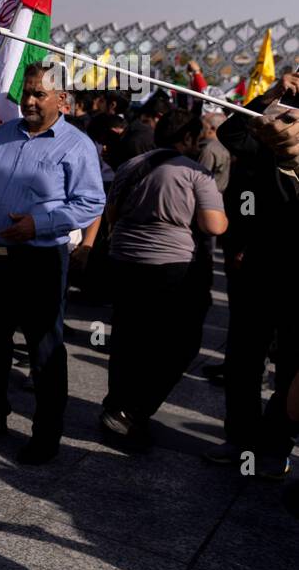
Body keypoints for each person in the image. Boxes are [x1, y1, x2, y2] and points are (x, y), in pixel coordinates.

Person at [0, 63, 106, 463]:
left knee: (43, 349)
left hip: (39, 259)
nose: (31, 100)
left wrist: (39, 223)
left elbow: (91, 202)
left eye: (40, 93)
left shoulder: (76, 145)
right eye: (28, 93)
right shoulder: (5, 132)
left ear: (63, 100)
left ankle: (46, 434)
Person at [97, 109, 228, 449]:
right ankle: (134, 411)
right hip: (170, 265)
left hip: (124, 258)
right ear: (186, 138)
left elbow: (110, 213)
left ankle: (116, 406)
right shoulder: (196, 173)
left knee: (128, 335)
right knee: (179, 343)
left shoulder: (130, 165)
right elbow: (214, 225)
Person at [208, 72, 299, 478]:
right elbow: (230, 130)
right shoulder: (267, 139)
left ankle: (275, 445)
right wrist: (272, 95)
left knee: (291, 364)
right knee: (244, 356)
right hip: (260, 265)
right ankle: (240, 438)